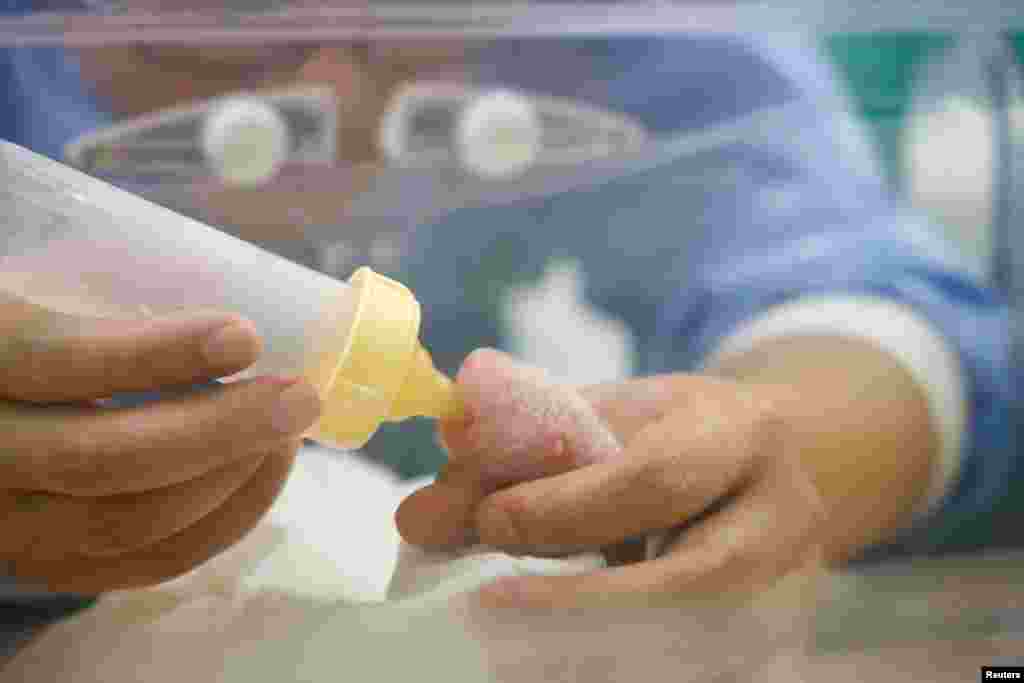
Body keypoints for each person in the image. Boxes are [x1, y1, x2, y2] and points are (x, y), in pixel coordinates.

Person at [0, 0, 1015, 664]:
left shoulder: (634, 44)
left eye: (404, 26)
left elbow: (845, 284)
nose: (334, 97)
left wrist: (772, 442)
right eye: (223, 26)